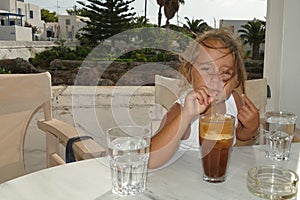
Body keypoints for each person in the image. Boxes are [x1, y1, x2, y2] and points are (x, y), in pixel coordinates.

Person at [149, 28, 260, 169]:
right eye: (207, 69)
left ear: (235, 80)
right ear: (190, 73)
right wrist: (186, 115)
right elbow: (150, 160)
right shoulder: (182, 109)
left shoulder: (234, 100)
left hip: (220, 179)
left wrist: (251, 128)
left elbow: (239, 134)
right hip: (183, 184)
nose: (215, 79)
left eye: (225, 72)